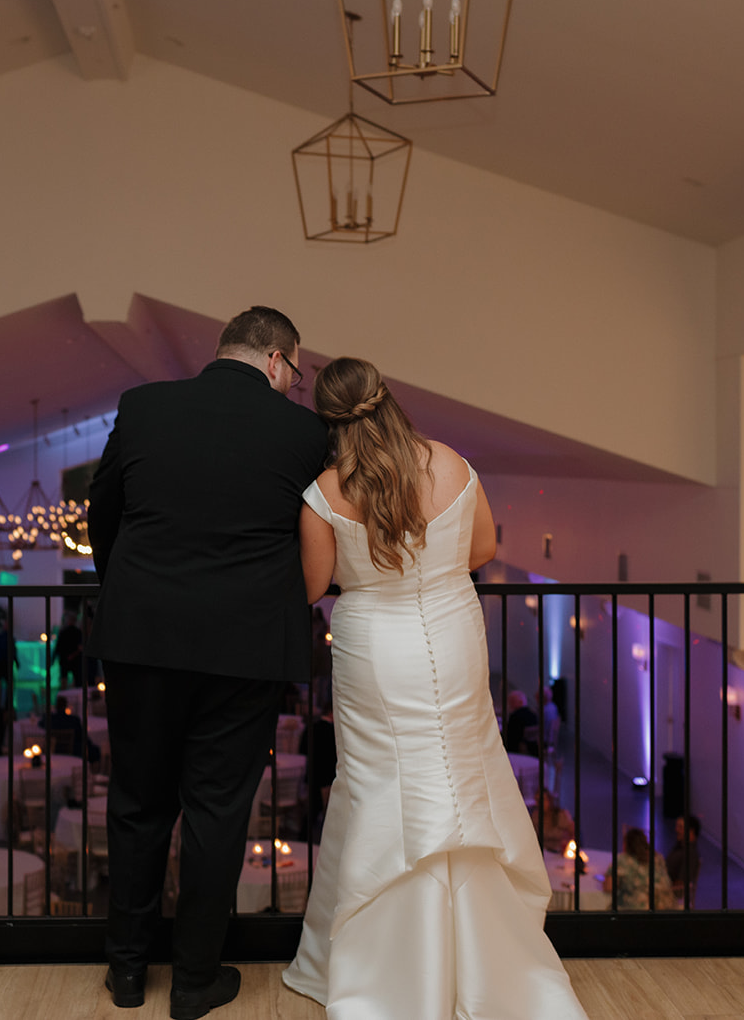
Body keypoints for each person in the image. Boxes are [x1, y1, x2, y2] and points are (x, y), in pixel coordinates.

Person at [282, 357, 587, 1018]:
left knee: (377, 783)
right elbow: (483, 548)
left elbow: (311, 586)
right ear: (388, 398)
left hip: (372, 646)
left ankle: (386, 962)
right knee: (463, 768)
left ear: (327, 422)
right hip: (453, 629)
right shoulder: (449, 462)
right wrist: (431, 566)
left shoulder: (324, 492)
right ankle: (482, 957)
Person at [88, 306, 328, 1018]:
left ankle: (127, 972)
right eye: (296, 371)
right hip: (245, 647)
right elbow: (311, 536)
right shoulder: (304, 432)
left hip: (144, 635)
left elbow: (104, 513)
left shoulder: (143, 406)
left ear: (224, 349)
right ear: (280, 359)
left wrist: (132, 588)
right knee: (217, 812)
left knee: (137, 803)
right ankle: (195, 979)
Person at [604, 826, 675, 911]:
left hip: (637, 912)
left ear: (626, 844)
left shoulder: (623, 860)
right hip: (665, 909)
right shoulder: (658, 858)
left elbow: (608, 887)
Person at [666, 814, 702, 908]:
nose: (676, 830)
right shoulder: (680, 847)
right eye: (677, 826)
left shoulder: (690, 854)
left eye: (680, 827)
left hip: (671, 894)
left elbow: (681, 884)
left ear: (691, 832)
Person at [502, 689, 538, 754]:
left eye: (512, 702)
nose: (509, 704)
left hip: (516, 752)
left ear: (520, 702)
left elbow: (510, 738)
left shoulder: (515, 716)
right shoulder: (533, 714)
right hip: (533, 751)